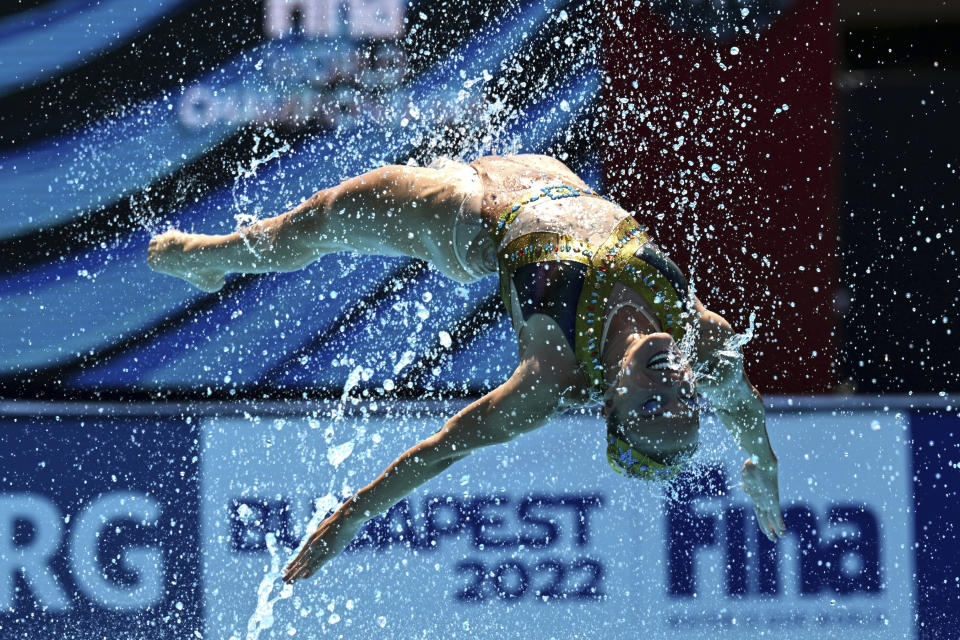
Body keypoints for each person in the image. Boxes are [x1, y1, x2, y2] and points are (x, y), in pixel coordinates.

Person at [146, 153, 787, 584]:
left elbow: (442, 449)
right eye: (683, 403)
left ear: (612, 404)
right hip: (552, 172)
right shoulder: (703, 340)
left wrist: (352, 517)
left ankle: (204, 255)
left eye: (650, 408)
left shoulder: (551, 377)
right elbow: (744, 406)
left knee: (313, 222)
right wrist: (761, 466)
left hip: (463, 216)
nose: (671, 386)